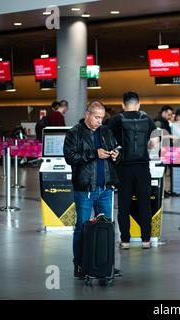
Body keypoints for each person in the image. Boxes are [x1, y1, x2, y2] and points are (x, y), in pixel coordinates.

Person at [63, 100, 121, 279]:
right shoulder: (74, 133)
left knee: (107, 228)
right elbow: (70, 157)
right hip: (85, 189)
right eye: (96, 117)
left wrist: (115, 155)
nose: (99, 121)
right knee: (82, 227)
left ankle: (104, 264)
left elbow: (116, 151)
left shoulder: (106, 131)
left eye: (102, 118)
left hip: (105, 188)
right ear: (87, 114)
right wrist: (94, 154)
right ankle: (80, 264)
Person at [108, 92, 158, 250]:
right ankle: (146, 241)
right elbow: (154, 143)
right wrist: (146, 146)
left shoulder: (116, 119)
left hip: (124, 167)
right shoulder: (148, 119)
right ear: (138, 104)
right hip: (143, 167)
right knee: (145, 204)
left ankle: (125, 241)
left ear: (123, 105)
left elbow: (107, 138)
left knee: (124, 204)